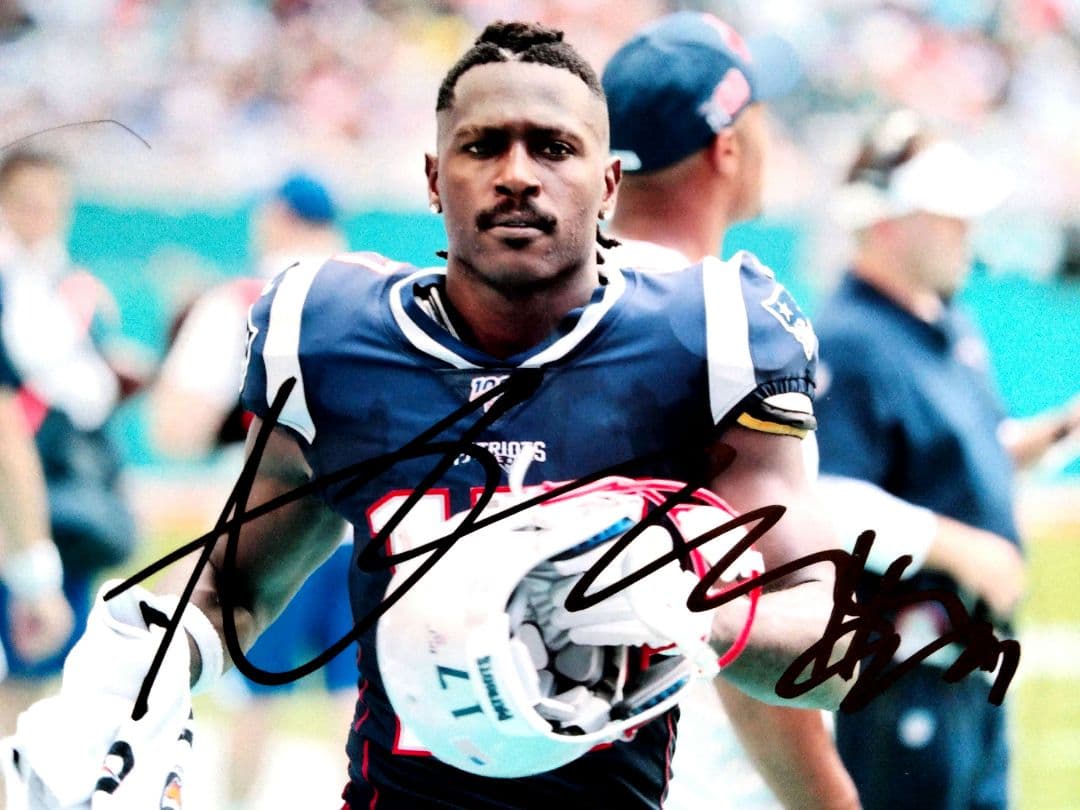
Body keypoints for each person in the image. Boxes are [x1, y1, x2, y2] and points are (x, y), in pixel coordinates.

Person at [7, 22, 857, 809]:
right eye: (482, 145)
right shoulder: (334, 338)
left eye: (553, 146)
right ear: (432, 177)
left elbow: (837, 641)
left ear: (607, 182)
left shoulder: (704, 337)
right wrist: (143, 670)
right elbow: (236, 585)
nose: (517, 173)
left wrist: (702, 617)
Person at [600, 13, 861, 809]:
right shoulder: (720, 324)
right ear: (728, 146)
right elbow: (787, 626)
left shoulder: (534, 303)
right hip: (680, 769)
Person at [815, 109, 1080, 810]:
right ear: (886, 222)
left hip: (967, 665)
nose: (966, 229)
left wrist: (1058, 433)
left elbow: (961, 462)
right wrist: (962, 549)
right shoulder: (849, 340)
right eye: (945, 214)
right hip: (900, 668)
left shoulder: (944, 324)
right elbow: (829, 498)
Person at [147, 171, 356, 810]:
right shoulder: (376, 298)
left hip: (264, 525)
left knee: (254, 702)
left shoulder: (240, 301)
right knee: (356, 709)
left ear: (274, 216)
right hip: (362, 527)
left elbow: (174, 431)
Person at [0, 150, 139, 805]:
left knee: (45, 684)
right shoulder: (12, 284)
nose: (43, 212)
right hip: (22, 511)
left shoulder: (73, 290)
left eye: (53, 199)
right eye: (28, 198)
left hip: (61, 507)